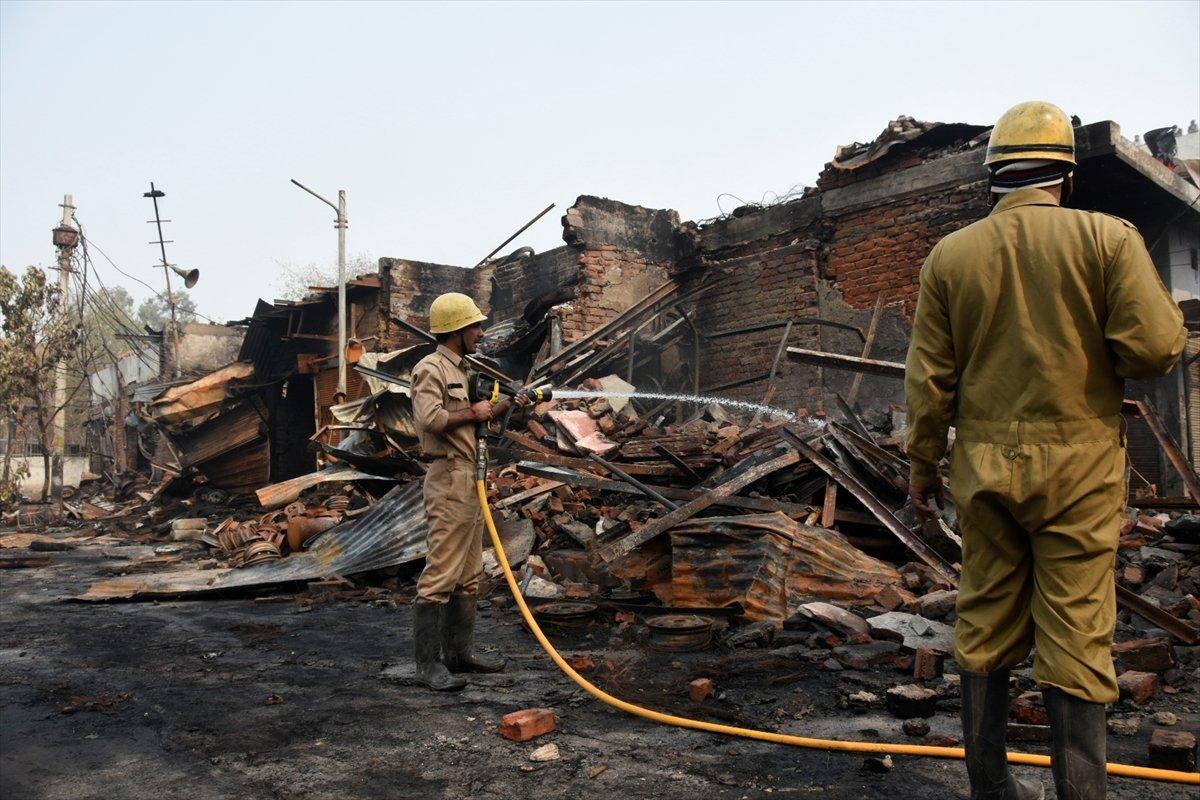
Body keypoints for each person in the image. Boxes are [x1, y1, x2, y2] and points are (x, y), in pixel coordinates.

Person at [904, 101, 1185, 800]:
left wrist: (921, 469)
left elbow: (928, 384)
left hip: (984, 471)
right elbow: (1154, 349)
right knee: (1077, 632)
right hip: (1079, 471)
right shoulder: (1108, 240)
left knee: (984, 621)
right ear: (1065, 174)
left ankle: (991, 787)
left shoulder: (949, 257)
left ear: (993, 175)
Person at [409, 292, 527, 691]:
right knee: (442, 571)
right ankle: (428, 666)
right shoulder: (431, 369)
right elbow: (430, 419)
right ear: (456, 329)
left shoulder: (464, 369)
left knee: (469, 574)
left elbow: (476, 419)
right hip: (449, 478)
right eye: (475, 326)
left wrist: (507, 404)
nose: (481, 332)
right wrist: (472, 412)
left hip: (471, 477)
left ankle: (459, 655)